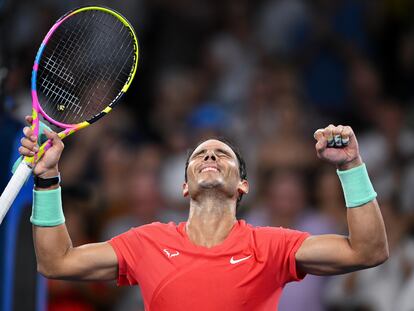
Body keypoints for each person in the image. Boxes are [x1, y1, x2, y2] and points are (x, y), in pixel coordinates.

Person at [18, 117, 388, 310]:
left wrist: (351, 165)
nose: (210, 156)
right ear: (184, 187)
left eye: (222, 154)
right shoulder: (147, 241)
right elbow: (56, 263)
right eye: (200, 155)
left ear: (243, 185)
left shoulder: (272, 246)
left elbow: (368, 250)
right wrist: (47, 176)